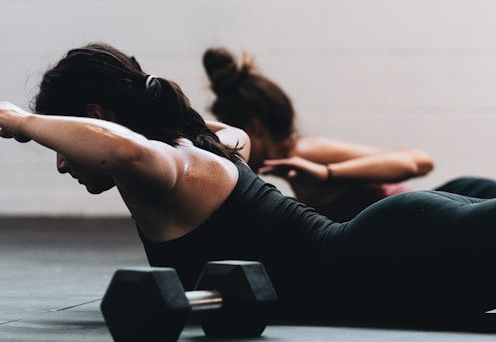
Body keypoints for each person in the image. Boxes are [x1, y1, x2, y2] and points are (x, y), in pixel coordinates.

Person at [2, 43, 496, 324]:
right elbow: (145, 137)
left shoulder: (169, 169)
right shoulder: (216, 144)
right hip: (396, 257)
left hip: (391, 259)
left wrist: (20, 122)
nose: (63, 163)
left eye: (62, 142)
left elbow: (125, 149)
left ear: (96, 118)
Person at [202, 47, 496, 222]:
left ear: (254, 128)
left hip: (455, 205)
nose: (227, 148)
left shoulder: (305, 153)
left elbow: (418, 162)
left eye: (230, 136)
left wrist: (328, 173)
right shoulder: (295, 167)